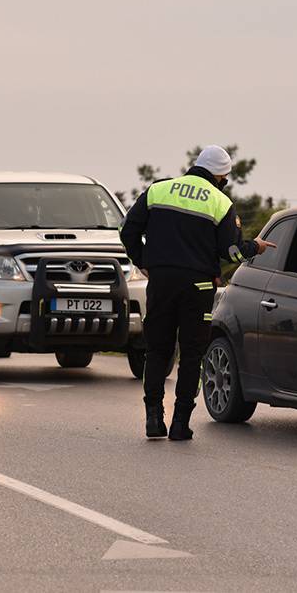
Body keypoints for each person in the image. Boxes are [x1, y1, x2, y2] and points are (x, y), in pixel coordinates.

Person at [120, 146, 275, 440]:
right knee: (192, 355)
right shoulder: (220, 202)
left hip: (161, 282)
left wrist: (145, 262)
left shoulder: (158, 190)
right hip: (198, 287)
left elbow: (126, 230)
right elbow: (231, 252)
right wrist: (256, 247)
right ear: (220, 176)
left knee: (158, 350)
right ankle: (180, 424)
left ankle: (153, 418)